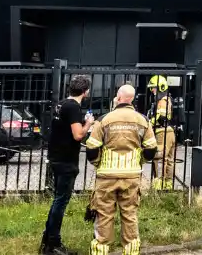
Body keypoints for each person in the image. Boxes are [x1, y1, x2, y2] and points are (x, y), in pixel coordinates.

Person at [84, 84, 157, 255]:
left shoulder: (104, 119)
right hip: (131, 176)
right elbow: (151, 148)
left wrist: (98, 163)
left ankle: (100, 250)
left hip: (106, 176)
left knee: (104, 215)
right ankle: (131, 251)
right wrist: (140, 161)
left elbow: (92, 149)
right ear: (132, 99)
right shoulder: (143, 120)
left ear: (118, 97)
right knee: (129, 214)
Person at [40, 75, 97, 255]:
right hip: (66, 161)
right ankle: (54, 245)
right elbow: (78, 135)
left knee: (57, 200)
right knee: (61, 201)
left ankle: (47, 240)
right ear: (86, 91)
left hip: (56, 157)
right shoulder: (73, 107)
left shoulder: (61, 104)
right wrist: (88, 123)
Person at [146, 75, 175, 191]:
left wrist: (148, 122)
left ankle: (158, 187)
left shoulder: (162, 102)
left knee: (159, 158)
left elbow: (161, 118)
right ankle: (168, 186)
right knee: (168, 160)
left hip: (162, 133)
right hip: (169, 132)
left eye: (154, 88)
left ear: (161, 87)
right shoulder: (167, 100)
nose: (152, 91)